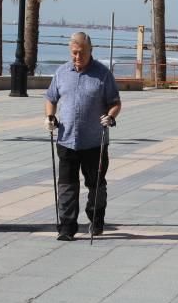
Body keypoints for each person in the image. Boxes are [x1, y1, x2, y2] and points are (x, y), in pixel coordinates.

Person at [44, 32, 122, 241]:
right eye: (74, 53)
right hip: (66, 140)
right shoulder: (61, 72)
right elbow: (51, 98)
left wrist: (110, 117)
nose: (77, 57)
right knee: (67, 185)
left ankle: (96, 221)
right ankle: (67, 227)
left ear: (90, 51)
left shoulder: (103, 74)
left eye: (81, 53)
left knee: (96, 186)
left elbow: (115, 102)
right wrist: (50, 117)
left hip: (94, 141)